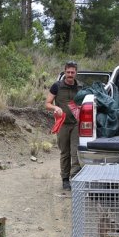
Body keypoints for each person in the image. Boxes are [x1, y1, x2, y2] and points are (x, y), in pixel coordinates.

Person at [46, 61, 84, 191]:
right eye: (68, 72)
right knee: (65, 153)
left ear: (76, 73)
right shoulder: (56, 86)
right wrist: (55, 107)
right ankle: (65, 179)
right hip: (62, 124)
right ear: (64, 72)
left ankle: (75, 178)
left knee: (75, 153)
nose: (70, 74)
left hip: (76, 124)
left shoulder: (80, 87)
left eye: (72, 72)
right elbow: (47, 103)